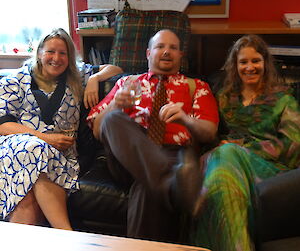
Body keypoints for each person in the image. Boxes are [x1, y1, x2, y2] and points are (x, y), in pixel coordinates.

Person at [87, 29, 219, 242]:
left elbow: (209, 133)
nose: (166, 52)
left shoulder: (197, 87)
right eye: (160, 47)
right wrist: (115, 105)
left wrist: (185, 119)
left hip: (173, 155)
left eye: (173, 48)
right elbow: (97, 130)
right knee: (112, 119)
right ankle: (173, 183)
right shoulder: (126, 83)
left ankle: (165, 182)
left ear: (180, 55)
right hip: (126, 159)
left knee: (147, 187)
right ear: (149, 53)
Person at [189, 34, 300, 251]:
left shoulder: (284, 99)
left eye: (255, 60)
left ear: (265, 63)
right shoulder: (223, 98)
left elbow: (293, 146)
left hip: (269, 169)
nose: (250, 67)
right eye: (243, 62)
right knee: (221, 170)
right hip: (224, 164)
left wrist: (241, 148)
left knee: (227, 155)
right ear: (234, 65)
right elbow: (210, 137)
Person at [0, 28, 110, 229]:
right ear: (39, 52)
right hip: (15, 149)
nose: (56, 58)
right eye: (50, 51)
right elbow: (2, 124)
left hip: (61, 155)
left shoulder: (77, 76)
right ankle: (66, 232)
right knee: (34, 148)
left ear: (70, 57)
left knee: (28, 193)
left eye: (63, 53)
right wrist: (43, 138)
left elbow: (114, 69)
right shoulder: (15, 81)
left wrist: (95, 78)